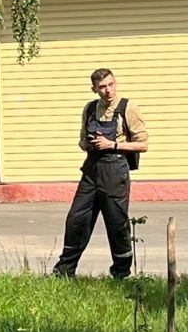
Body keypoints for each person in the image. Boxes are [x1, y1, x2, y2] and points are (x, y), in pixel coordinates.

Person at [53, 68, 149, 279]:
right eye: (102, 87)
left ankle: (121, 274)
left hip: (115, 171)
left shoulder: (128, 107)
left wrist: (112, 144)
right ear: (94, 89)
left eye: (111, 84)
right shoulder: (89, 109)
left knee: (116, 224)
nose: (108, 91)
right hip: (91, 170)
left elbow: (143, 145)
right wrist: (87, 142)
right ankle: (64, 272)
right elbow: (80, 141)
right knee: (76, 219)